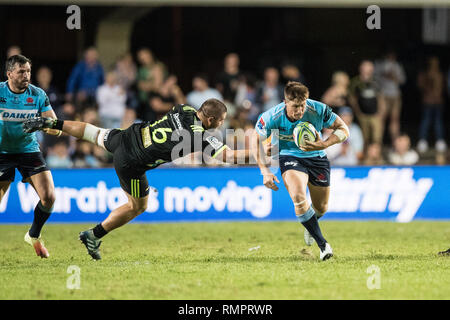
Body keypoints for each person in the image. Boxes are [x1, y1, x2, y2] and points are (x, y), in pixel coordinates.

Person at [24, 99, 249, 260]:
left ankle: (53, 124)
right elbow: (229, 156)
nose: (221, 125)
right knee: (138, 206)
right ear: (210, 119)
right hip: (132, 162)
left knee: (92, 132)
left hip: (127, 137)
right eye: (220, 121)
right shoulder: (200, 138)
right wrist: (259, 153)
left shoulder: (184, 108)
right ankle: (93, 235)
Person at [251, 81, 350, 261]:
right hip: (289, 156)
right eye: (295, 106)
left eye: (303, 105)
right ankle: (323, 245)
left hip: (317, 157)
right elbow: (254, 140)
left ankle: (311, 226)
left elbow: (344, 129)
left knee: (321, 207)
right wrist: (264, 171)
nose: (300, 111)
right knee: (298, 196)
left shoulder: (318, 109)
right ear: (285, 102)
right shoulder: (272, 116)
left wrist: (325, 143)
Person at [0, 54, 60, 258]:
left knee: (49, 196)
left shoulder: (38, 94)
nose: (26, 75)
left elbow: (57, 129)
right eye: (21, 71)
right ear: (9, 74)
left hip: (28, 150)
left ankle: (33, 235)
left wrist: (43, 124)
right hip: (2, 153)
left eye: (28, 71)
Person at [348, 60, 384, 148]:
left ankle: (377, 156)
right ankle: (366, 156)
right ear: (361, 69)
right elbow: (352, 99)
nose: (367, 70)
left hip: (375, 114)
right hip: (362, 115)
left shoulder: (376, 81)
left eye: (369, 67)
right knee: (364, 138)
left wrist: (381, 112)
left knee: (377, 137)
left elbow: (381, 98)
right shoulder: (355, 82)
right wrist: (358, 112)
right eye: (365, 67)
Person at [416, 56, 447, 153]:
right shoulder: (425, 73)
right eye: (432, 62)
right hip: (428, 101)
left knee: (438, 121)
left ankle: (440, 140)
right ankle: (422, 141)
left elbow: (442, 87)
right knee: (426, 120)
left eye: (436, 63)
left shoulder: (440, 74)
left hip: (438, 101)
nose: (434, 64)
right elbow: (420, 85)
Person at [374, 51, 406, 144]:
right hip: (383, 95)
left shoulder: (397, 66)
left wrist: (394, 77)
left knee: (395, 119)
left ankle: (395, 143)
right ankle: (378, 143)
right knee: (381, 119)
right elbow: (374, 78)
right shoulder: (379, 64)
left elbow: (403, 80)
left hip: (395, 95)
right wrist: (383, 75)